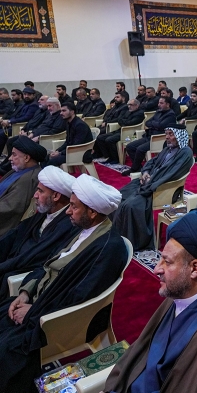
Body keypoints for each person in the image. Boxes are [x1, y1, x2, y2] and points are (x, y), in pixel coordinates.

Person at [0, 174, 126, 391]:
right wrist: (25, 293)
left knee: (5, 350)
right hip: (37, 303)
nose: (67, 211)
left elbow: (78, 297)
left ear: (92, 212)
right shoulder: (83, 230)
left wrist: (33, 312)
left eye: (74, 206)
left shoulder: (108, 248)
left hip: (50, 319)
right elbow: (47, 265)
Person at [105, 215, 197, 393]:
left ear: (194, 268)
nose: (156, 269)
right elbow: (142, 351)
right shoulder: (178, 294)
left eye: (167, 262)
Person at [0, 166, 78, 298]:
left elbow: (38, 256)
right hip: (15, 260)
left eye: (40, 191)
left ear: (56, 196)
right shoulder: (46, 210)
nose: (35, 195)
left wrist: (3, 266)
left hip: (24, 272)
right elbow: (16, 233)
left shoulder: (67, 224)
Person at [114, 126, 194, 251]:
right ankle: (116, 234)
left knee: (130, 205)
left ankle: (132, 241)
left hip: (161, 189)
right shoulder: (168, 148)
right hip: (149, 183)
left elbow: (171, 174)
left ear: (179, 136)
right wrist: (145, 172)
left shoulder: (185, 152)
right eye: (166, 134)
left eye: (171, 134)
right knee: (119, 196)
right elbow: (152, 162)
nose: (167, 137)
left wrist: (150, 182)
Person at [0, 137, 47, 237]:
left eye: (14, 155)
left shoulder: (28, 179)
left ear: (26, 158)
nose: (10, 158)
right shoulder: (19, 170)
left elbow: (10, 207)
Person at [124, 95, 176, 174]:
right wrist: (155, 124)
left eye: (161, 103)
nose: (159, 105)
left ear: (168, 104)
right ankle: (138, 168)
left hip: (158, 139)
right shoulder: (158, 112)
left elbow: (161, 125)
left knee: (140, 149)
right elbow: (147, 122)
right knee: (130, 146)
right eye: (158, 103)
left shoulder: (171, 114)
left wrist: (154, 124)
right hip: (149, 136)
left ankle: (134, 169)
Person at [92, 98, 145, 163]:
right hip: (121, 130)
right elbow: (120, 119)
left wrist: (124, 122)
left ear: (137, 105)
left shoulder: (140, 113)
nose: (129, 106)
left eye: (131, 105)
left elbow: (130, 123)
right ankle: (108, 156)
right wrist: (124, 122)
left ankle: (115, 159)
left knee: (109, 140)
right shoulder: (128, 111)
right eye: (128, 104)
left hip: (130, 134)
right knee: (100, 137)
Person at [45, 103, 93, 167]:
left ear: (72, 112)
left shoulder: (80, 125)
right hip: (72, 152)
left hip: (81, 153)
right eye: (61, 111)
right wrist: (57, 151)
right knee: (45, 157)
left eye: (64, 111)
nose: (61, 113)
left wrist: (60, 153)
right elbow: (68, 142)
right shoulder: (68, 123)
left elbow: (76, 145)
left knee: (52, 161)